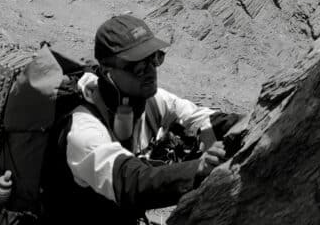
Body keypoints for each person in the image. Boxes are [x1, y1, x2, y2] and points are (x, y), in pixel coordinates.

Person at [46, 13, 242, 224]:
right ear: (106, 71)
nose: (150, 71)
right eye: (137, 66)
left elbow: (204, 121)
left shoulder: (150, 100)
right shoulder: (83, 128)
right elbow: (130, 181)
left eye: (154, 58)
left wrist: (252, 123)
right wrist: (198, 168)